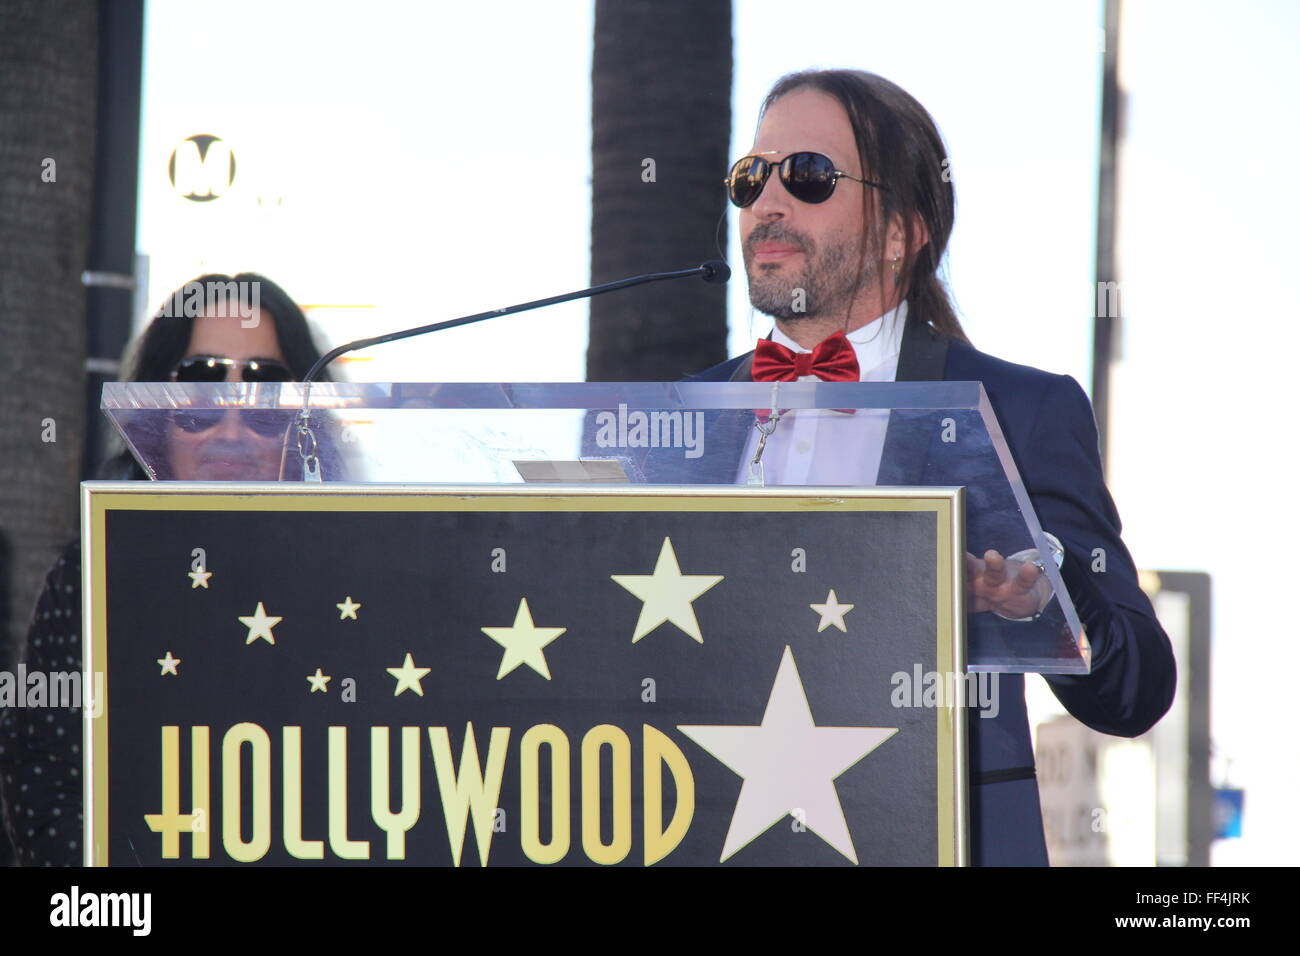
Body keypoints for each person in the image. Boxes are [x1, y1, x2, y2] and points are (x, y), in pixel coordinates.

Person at [678, 69, 1176, 865]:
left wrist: (1043, 597)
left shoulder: (1022, 410)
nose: (768, 203)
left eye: (807, 175)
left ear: (900, 233)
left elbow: (1138, 688)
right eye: (752, 176)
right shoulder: (682, 419)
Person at [0, 273, 332, 865]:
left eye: (263, 389)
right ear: (154, 409)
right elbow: (45, 798)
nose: (231, 423)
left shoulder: (352, 582)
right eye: (203, 383)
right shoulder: (88, 582)